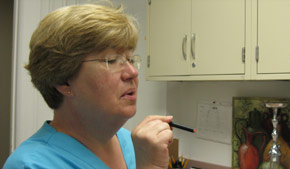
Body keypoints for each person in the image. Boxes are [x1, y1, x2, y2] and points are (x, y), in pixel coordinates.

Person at [3, 3, 173, 169]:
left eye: (130, 59)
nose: (133, 73)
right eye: (112, 60)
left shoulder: (134, 144)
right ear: (63, 80)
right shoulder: (31, 164)